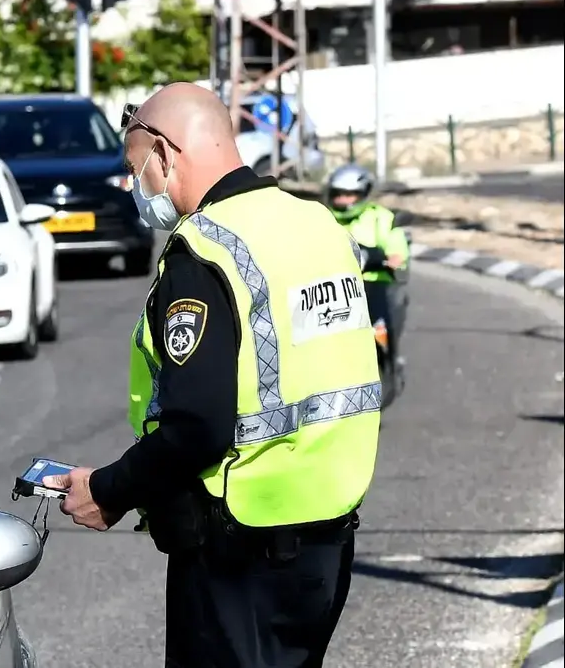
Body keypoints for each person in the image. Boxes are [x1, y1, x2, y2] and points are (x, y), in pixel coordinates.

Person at [43, 83, 381, 668]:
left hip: (240, 550)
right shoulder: (319, 225)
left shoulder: (204, 250)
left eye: (135, 168)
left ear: (166, 155)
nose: (135, 186)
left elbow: (199, 425)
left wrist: (107, 491)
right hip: (328, 539)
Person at [325, 163, 411, 363]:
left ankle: (387, 363)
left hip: (372, 285)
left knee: (380, 329)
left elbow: (397, 251)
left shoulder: (380, 217)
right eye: (338, 194)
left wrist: (389, 259)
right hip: (334, 287)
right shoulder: (323, 217)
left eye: (349, 194)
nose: (342, 200)